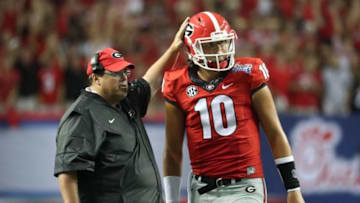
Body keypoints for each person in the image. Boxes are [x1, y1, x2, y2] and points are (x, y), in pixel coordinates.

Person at [162, 11, 305, 203]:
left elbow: (275, 133)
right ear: (191, 48)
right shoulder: (177, 83)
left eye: (223, 42)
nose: (221, 50)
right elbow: (172, 151)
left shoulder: (248, 73)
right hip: (201, 189)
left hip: (245, 186)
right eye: (211, 44)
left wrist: (293, 188)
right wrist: (170, 200)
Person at [54, 18, 189, 203]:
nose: (124, 78)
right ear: (96, 78)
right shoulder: (82, 115)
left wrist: (174, 48)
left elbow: (153, 79)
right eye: (116, 73)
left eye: (125, 72)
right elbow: (68, 176)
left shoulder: (126, 99)